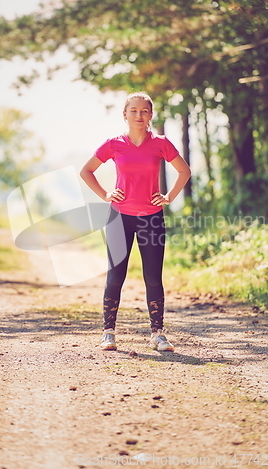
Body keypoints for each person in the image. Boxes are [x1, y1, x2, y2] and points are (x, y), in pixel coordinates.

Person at [80, 92, 191, 352]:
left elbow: (184, 171)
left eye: (144, 111)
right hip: (119, 217)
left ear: (151, 115)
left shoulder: (161, 143)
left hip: (151, 218)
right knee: (115, 276)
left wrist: (168, 197)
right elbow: (86, 171)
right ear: (125, 114)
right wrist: (106, 194)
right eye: (133, 110)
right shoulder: (114, 144)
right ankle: (108, 333)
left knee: (153, 278)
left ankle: (158, 334)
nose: (139, 115)